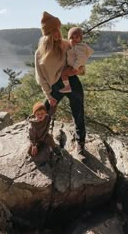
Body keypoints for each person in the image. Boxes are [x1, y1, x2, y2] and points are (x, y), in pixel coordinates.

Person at [35, 11, 87, 156]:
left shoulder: (66, 45)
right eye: (53, 31)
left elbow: (80, 63)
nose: (57, 33)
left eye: (58, 29)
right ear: (47, 34)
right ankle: (39, 139)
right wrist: (48, 94)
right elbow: (40, 77)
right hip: (55, 87)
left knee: (78, 114)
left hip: (73, 83)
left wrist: (77, 71)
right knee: (43, 112)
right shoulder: (39, 53)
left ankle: (80, 144)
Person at [59, 27, 94, 93]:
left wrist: (75, 67)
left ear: (80, 39)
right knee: (64, 72)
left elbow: (81, 58)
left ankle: (67, 87)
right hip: (76, 67)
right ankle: (68, 86)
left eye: (76, 37)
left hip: (76, 67)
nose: (74, 39)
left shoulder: (78, 47)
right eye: (71, 38)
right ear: (69, 40)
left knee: (63, 73)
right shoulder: (75, 47)